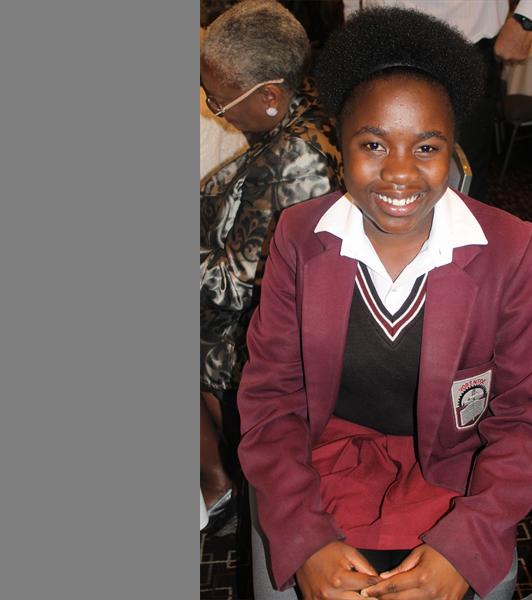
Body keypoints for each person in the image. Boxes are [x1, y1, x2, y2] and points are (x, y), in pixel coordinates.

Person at [238, 7, 532, 600]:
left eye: (426, 147)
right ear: (338, 144)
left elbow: (530, 417)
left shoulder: (511, 250)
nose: (398, 173)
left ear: (453, 149)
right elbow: (271, 400)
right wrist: (306, 537)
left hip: (455, 472)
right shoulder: (299, 236)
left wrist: (464, 543)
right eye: (373, 144)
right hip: (325, 463)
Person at [200, 0, 343, 533]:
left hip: (267, 332)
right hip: (262, 307)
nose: (214, 109)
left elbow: (238, 287)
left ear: (268, 97)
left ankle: (219, 483)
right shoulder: (309, 111)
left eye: (217, 99)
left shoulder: (295, 164)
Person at [341, 0, 532, 203]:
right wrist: (354, 30)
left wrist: (525, 19)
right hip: (379, 47)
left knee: (459, 185)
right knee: (373, 169)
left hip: (463, 47)